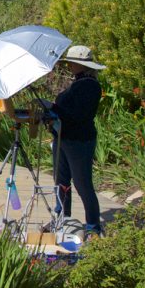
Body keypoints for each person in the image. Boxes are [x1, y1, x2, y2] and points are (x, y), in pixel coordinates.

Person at [49, 45, 105, 239]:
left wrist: (54, 109)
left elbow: (80, 115)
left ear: (83, 65)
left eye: (73, 62)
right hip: (64, 138)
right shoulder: (78, 83)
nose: (70, 65)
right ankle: (63, 218)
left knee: (82, 183)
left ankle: (93, 225)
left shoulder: (89, 86)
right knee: (61, 182)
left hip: (79, 140)